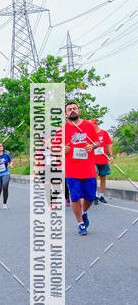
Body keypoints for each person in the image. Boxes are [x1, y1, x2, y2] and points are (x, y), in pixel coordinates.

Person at [60, 101, 98, 236]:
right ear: (65, 114)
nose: (72, 111)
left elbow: (97, 141)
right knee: (75, 197)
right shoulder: (62, 129)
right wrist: (62, 149)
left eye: (74, 108)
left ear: (79, 111)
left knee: (90, 196)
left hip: (88, 168)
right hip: (71, 169)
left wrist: (92, 146)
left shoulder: (88, 125)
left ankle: (84, 211)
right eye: (69, 109)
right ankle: (80, 223)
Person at [89, 119, 113, 204]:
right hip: (93, 159)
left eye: (93, 124)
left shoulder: (104, 133)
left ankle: (101, 195)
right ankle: (95, 195)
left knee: (103, 177)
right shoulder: (89, 134)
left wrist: (111, 156)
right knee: (94, 176)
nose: (92, 126)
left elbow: (109, 144)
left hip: (103, 158)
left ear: (96, 124)